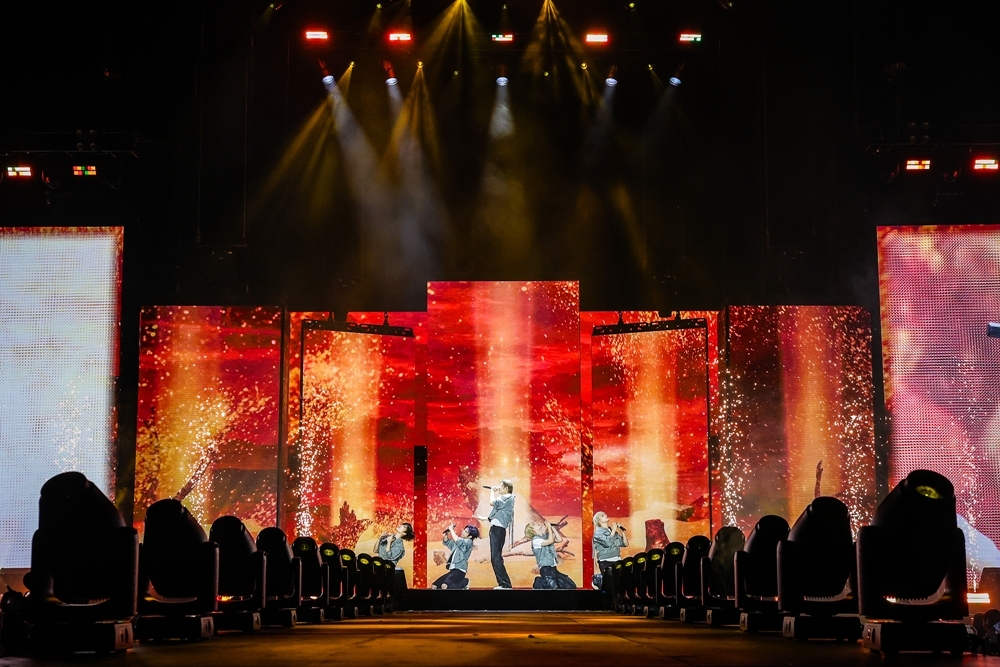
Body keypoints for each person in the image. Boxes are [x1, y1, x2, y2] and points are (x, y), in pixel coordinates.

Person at [475, 479, 514, 589]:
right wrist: (483, 518)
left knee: (495, 558)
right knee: (496, 557)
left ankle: (505, 584)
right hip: (496, 529)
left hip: (498, 530)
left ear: (506, 488)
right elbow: (495, 513)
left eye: (500, 486)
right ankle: (504, 584)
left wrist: (492, 491)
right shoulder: (504, 500)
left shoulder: (508, 497)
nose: (498, 487)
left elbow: (492, 503)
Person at [527, 522, 576, 589]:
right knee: (553, 587)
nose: (538, 524)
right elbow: (550, 541)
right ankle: (539, 582)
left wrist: (552, 528)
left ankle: (542, 582)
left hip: (553, 568)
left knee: (570, 585)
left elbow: (559, 539)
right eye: (535, 525)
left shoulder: (545, 536)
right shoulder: (536, 540)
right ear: (533, 531)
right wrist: (549, 528)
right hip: (545, 569)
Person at [431, 524, 479, 590]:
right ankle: (461, 583)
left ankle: (464, 582)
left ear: (470, 536)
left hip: (460, 570)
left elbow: (459, 541)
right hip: (452, 570)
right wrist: (446, 534)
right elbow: (447, 542)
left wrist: (451, 529)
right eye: (464, 530)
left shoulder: (469, 542)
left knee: (444, 586)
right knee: (434, 586)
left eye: (466, 532)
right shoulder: (458, 542)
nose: (463, 532)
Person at [592, 511, 628, 590]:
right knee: (610, 587)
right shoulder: (598, 533)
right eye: (602, 515)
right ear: (598, 520)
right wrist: (614, 530)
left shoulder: (611, 531)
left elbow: (625, 544)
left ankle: (600, 580)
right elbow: (607, 543)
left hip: (617, 560)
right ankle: (598, 581)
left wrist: (622, 531)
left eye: (605, 514)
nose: (605, 515)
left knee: (620, 586)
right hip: (606, 562)